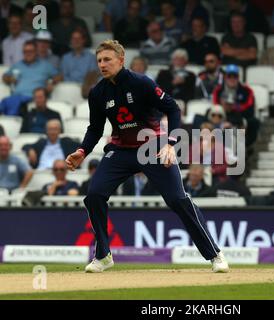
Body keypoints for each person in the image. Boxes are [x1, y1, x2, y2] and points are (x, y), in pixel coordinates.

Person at [65, 40, 228, 273]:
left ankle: (215, 255)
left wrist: (171, 143)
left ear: (121, 60)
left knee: (177, 200)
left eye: (107, 59)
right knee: (94, 195)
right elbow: (95, 129)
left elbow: (173, 109)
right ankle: (103, 255)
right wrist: (82, 151)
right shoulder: (97, 92)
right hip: (121, 151)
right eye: (99, 60)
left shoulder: (141, 83)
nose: (102, 64)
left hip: (153, 147)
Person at [1, 40, 61, 116]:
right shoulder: (17, 65)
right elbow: (4, 76)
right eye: (25, 51)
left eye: (31, 51)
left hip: (35, 98)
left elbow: (59, 76)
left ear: (36, 52)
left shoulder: (45, 65)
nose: (28, 53)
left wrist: (51, 82)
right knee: (5, 102)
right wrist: (10, 79)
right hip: (17, 97)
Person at [212, 64, 259, 146]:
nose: (232, 79)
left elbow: (250, 109)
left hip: (240, 117)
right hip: (223, 117)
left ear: (238, 77)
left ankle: (246, 147)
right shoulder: (218, 91)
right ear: (225, 77)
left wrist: (234, 107)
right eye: (229, 76)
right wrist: (224, 108)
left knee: (254, 122)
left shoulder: (247, 91)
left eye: (235, 76)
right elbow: (215, 107)